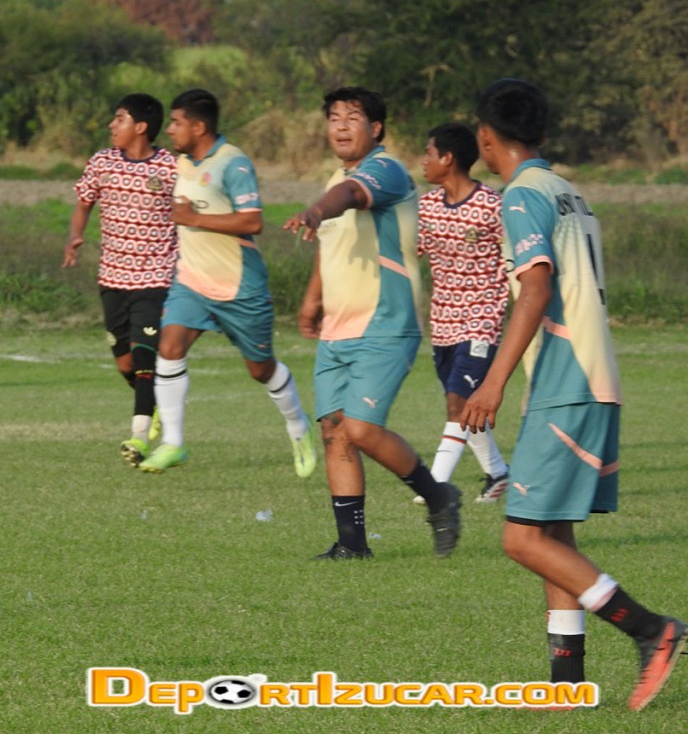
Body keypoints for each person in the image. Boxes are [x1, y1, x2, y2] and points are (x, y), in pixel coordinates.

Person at [460, 78, 685, 710]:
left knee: (520, 539)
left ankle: (652, 630)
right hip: (594, 377)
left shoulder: (520, 196)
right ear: (542, 132)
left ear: (485, 137)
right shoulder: (569, 191)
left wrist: (493, 382)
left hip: (567, 381)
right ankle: (566, 685)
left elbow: (535, 286)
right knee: (551, 535)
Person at [284, 86, 462, 559]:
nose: (340, 126)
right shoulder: (335, 178)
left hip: (385, 323)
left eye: (352, 117)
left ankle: (439, 496)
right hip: (339, 327)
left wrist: (315, 209)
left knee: (361, 429)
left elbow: (348, 197)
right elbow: (332, 241)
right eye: (334, 118)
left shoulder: (385, 170)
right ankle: (352, 544)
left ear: (376, 128)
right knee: (334, 430)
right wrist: (312, 299)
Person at [137, 88, 316, 478]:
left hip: (239, 286)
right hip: (192, 281)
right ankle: (173, 443)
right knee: (169, 346)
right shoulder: (179, 163)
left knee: (260, 369)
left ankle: (298, 427)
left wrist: (194, 218)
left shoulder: (233, 164)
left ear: (199, 127)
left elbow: (253, 221)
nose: (170, 130)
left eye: (177, 123)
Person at [63, 93, 178, 467]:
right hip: (112, 278)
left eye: (119, 118)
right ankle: (152, 403)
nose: (111, 125)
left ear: (140, 127)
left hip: (156, 278)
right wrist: (75, 236)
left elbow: (191, 211)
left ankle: (139, 437)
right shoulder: (102, 162)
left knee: (144, 356)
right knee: (126, 364)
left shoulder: (170, 167)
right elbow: (84, 203)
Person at [414, 122, 510, 505]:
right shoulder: (427, 207)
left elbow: (518, 255)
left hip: (482, 321)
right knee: (465, 406)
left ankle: (434, 487)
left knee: (457, 402)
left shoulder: (491, 206)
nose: (423, 161)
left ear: (448, 158)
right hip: (443, 324)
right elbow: (410, 253)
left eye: (428, 153)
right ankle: (498, 473)